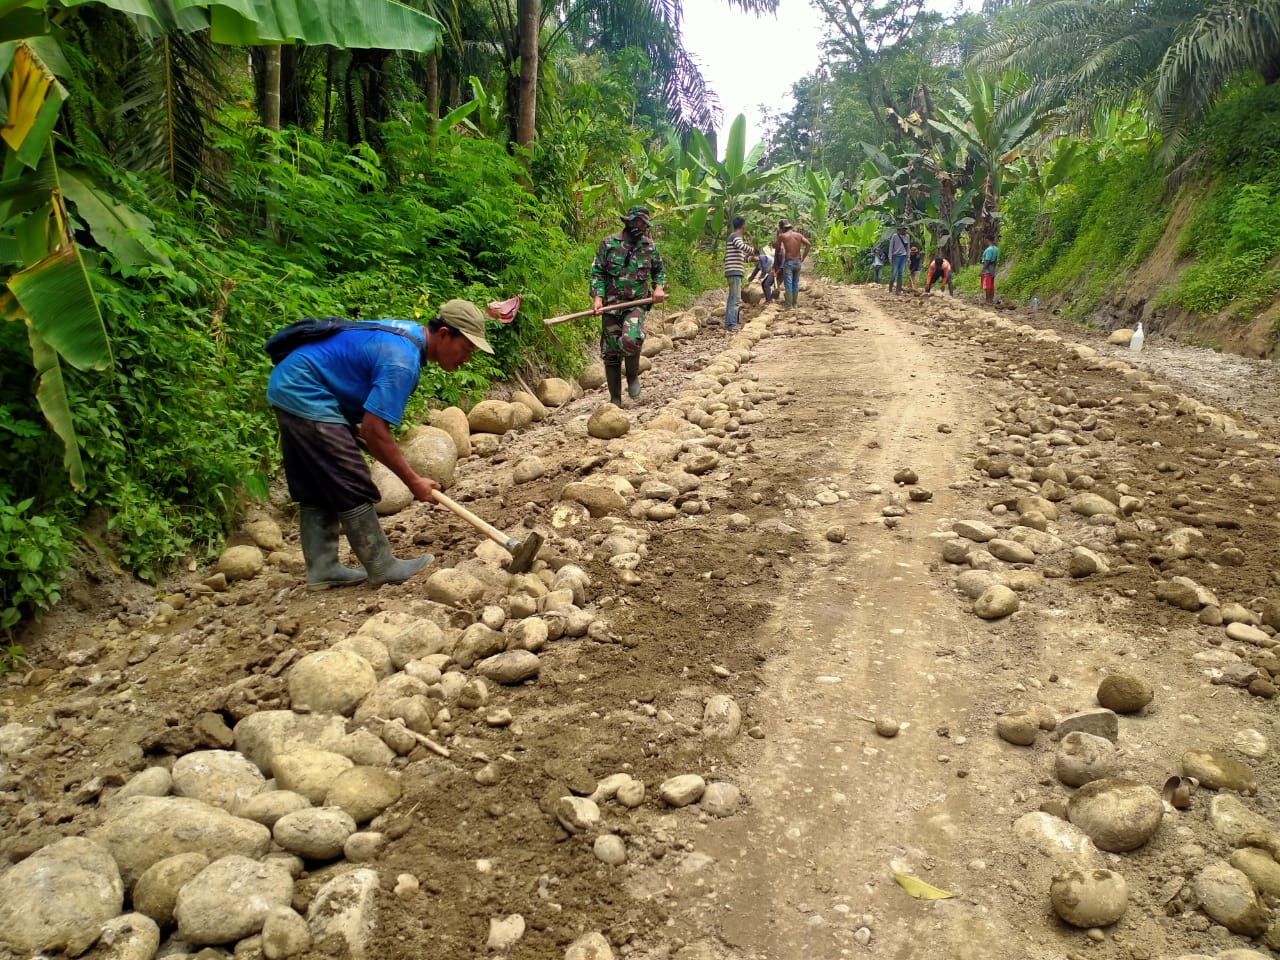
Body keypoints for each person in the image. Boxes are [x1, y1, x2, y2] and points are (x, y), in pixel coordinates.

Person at [267, 300, 494, 590]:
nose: (467, 359)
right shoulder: (402, 361)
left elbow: (365, 413)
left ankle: (323, 568)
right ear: (445, 334)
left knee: (318, 481)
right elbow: (375, 431)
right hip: (305, 390)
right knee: (351, 477)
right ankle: (382, 565)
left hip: (293, 384)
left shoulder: (407, 335)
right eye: (467, 349)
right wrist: (413, 481)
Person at [590, 205, 668, 406]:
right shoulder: (608, 244)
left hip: (636, 304)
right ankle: (615, 399)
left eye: (643, 224)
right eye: (637, 222)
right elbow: (597, 273)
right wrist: (597, 299)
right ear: (628, 221)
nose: (640, 227)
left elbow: (659, 270)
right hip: (611, 305)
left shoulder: (649, 247)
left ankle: (632, 375)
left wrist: (658, 288)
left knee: (631, 338)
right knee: (611, 352)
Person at [774, 219, 812, 308]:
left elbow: (775, 246)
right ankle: (795, 303)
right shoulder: (798, 235)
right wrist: (804, 256)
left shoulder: (782, 236)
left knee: (788, 283)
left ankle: (789, 305)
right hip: (798, 261)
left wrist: (778, 235)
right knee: (795, 282)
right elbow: (808, 244)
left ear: (782, 228)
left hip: (789, 262)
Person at [723, 215, 749, 331]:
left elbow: (742, 257)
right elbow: (741, 246)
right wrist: (753, 250)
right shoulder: (736, 236)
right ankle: (731, 324)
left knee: (732, 298)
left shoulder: (734, 237)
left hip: (733, 271)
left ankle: (730, 322)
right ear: (742, 226)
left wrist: (753, 258)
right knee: (735, 299)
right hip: (734, 271)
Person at [888, 225, 911, 293]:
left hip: (903, 257)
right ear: (899, 230)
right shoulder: (895, 236)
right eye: (903, 230)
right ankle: (890, 288)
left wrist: (908, 257)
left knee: (900, 274)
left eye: (905, 230)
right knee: (894, 273)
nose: (904, 231)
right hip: (896, 256)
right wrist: (890, 257)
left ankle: (898, 290)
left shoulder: (907, 237)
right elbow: (891, 246)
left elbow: (908, 247)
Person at [981, 236, 1000, 304]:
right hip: (992, 267)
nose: (984, 241)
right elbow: (995, 260)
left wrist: (982, 270)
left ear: (987, 239)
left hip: (987, 269)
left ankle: (987, 300)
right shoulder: (996, 249)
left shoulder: (989, 250)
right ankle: (991, 299)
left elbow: (987, 260)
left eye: (984, 239)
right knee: (992, 285)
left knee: (987, 285)